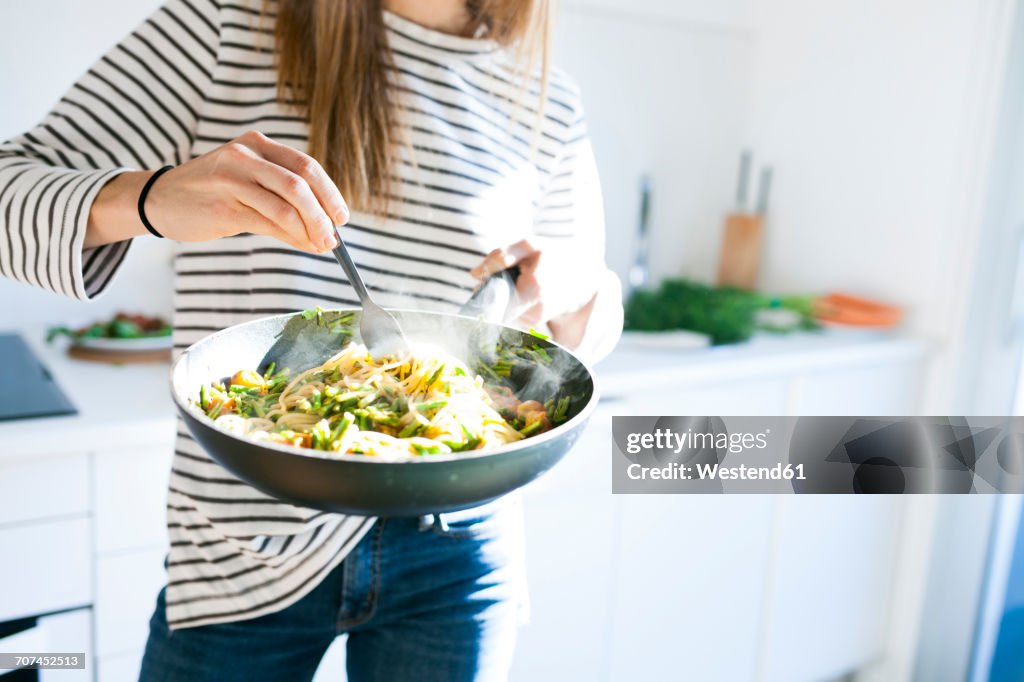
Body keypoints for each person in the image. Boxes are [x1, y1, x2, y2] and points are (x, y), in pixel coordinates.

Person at [0, 0, 622, 679]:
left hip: (460, 540)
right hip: (245, 544)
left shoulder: (548, 98)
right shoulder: (224, 27)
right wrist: (149, 199)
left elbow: (587, 324)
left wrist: (582, 288)